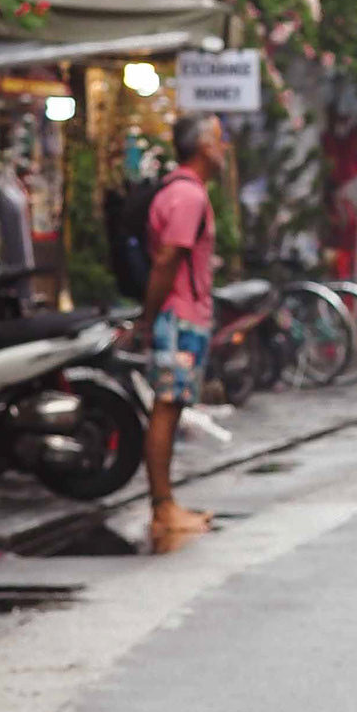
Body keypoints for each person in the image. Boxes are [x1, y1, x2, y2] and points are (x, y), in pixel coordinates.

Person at [133, 112, 226, 553]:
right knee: (167, 407)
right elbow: (168, 258)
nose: (224, 148)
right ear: (204, 147)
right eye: (220, 140)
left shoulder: (184, 191)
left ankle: (166, 504)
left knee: (170, 407)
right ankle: (163, 506)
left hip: (181, 314)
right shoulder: (188, 196)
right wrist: (150, 319)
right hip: (179, 316)